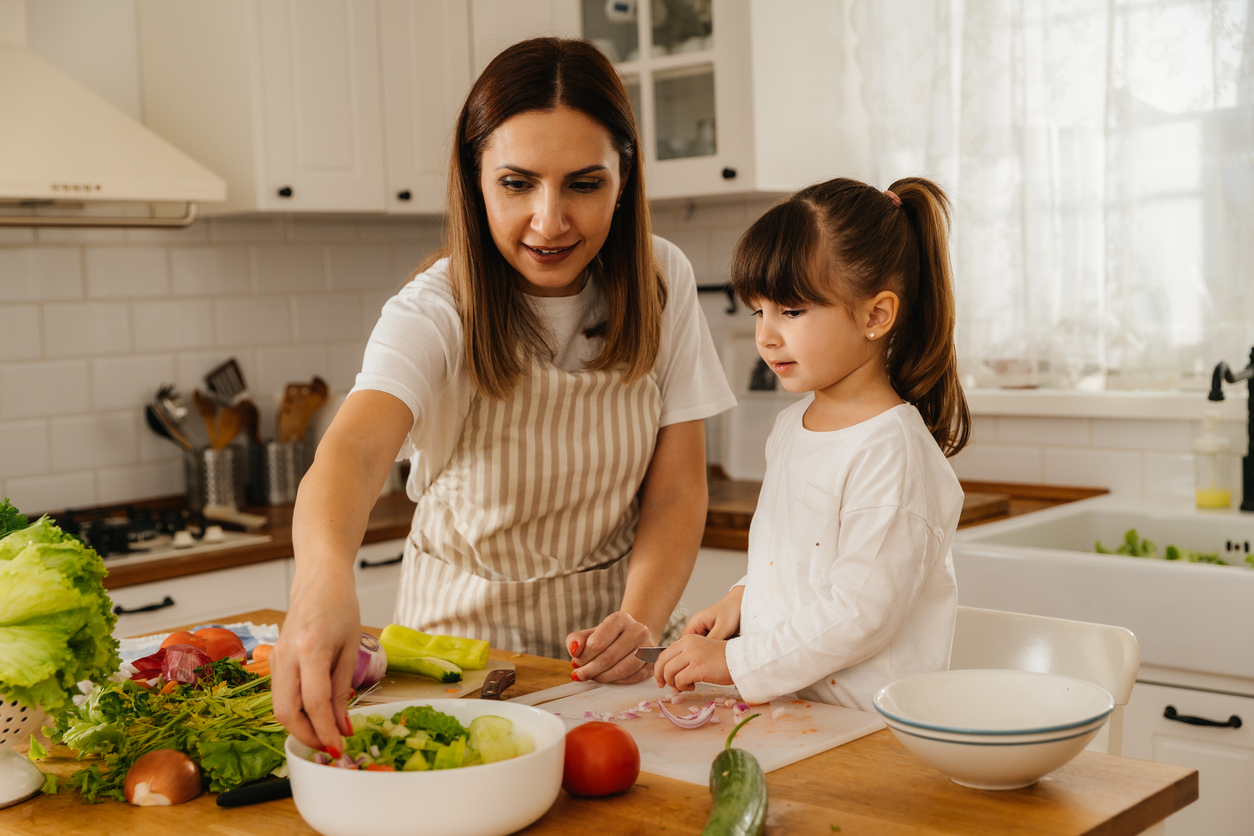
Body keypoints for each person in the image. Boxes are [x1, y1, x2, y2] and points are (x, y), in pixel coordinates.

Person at [274, 37, 735, 750]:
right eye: (517, 184)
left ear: (625, 178)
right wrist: (320, 586)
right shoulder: (433, 310)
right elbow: (354, 454)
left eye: (584, 184)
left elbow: (676, 491)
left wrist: (638, 623)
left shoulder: (660, 280)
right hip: (456, 668)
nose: (550, 222)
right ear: (475, 179)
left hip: (609, 660)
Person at [653, 177, 970, 712]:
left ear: (876, 315)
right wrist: (744, 597)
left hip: (868, 737)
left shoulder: (892, 451)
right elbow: (797, 559)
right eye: (760, 311)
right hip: (796, 714)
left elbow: (860, 613)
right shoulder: (792, 426)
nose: (766, 336)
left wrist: (736, 663)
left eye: (792, 312)